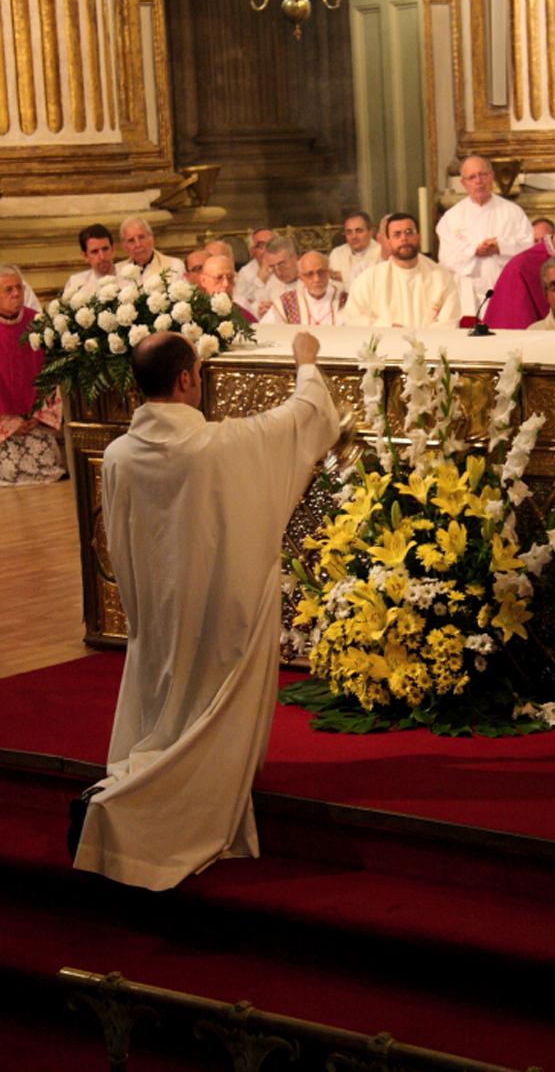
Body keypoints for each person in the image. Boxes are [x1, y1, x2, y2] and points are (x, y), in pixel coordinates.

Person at [72, 329, 339, 890]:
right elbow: (303, 417)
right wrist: (306, 361)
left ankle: (137, 786)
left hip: (159, 610)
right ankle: (145, 810)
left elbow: (115, 543)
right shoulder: (221, 445)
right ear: (187, 379)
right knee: (209, 702)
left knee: (168, 705)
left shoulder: (118, 455)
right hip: (221, 611)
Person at [436, 156, 533, 315]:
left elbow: (527, 249)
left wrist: (500, 247)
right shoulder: (451, 218)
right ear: (463, 183)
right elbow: (447, 259)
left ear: (492, 176)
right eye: (472, 177)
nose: (478, 181)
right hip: (465, 294)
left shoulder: (512, 212)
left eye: (483, 175)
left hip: (504, 289)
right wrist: (474, 251)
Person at [0, 265, 64, 485]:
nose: (16, 293)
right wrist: (8, 424)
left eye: (18, 287)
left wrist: (36, 417)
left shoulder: (37, 322)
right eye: (8, 290)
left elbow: (52, 372)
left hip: (36, 421)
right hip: (4, 429)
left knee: (47, 465)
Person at [343, 213, 461, 328]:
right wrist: (389, 328)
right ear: (388, 242)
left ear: (419, 237)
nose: (404, 238)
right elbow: (354, 318)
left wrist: (419, 341)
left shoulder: (441, 278)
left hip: (430, 345)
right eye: (397, 234)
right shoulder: (369, 279)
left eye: (409, 232)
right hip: (386, 345)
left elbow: (450, 321)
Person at [268, 251, 344, 325]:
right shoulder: (286, 303)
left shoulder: (344, 299)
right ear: (301, 277)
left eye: (321, 272)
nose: (316, 279)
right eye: (309, 274)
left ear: (328, 272)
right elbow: (264, 330)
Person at [117, 217, 184, 283]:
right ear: (124, 246)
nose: (138, 244)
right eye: (131, 240)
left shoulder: (174, 266)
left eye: (141, 237)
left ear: (151, 239)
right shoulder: (118, 271)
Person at [197, 253, 256, 322]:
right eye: (219, 278)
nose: (226, 284)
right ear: (203, 281)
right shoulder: (194, 315)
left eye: (230, 277)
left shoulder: (243, 315)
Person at [62, 224, 116, 298]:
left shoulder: (131, 279)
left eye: (105, 249)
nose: (102, 257)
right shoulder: (75, 284)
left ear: (112, 249)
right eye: (95, 251)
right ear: (85, 256)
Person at [329, 212, 381, 286]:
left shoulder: (381, 253)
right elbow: (331, 283)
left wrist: (343, 277)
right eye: (349, 232)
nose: (354, 236)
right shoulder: (337, 253)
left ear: (370, 232)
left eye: (359, 231)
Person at [255, 235, 301, 318]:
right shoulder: (272, 282)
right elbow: (255, 306)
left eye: (282, 264)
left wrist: (280, 311)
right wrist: (262, 311)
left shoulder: (313, 278)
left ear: (295, 257)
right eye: (272, 267)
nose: (278, 272)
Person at [235, 228, 274, 313]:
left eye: (272, 244)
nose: (268, 250)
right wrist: (259, 280)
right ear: (252, 251)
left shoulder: (283, 267)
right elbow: (240, 306)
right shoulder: (244, 273)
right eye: (261, 245)